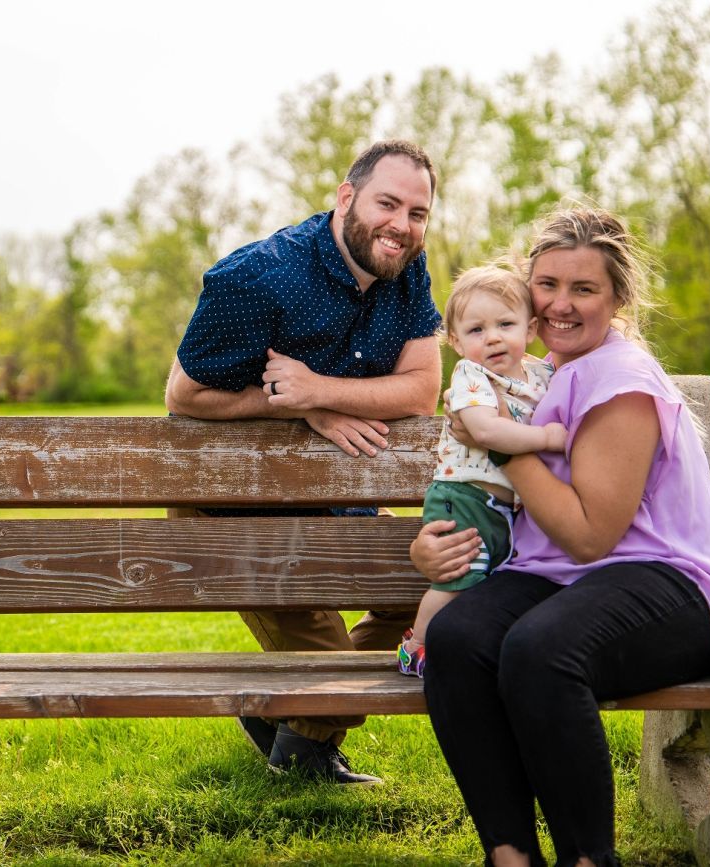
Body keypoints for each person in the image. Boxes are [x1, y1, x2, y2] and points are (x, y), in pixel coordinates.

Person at [411, 206, 710, 866]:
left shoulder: (620, 379)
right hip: (556, 574)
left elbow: (593, 535)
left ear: (618, 296)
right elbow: (480, 489)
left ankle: (588, 859)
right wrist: (432, 549)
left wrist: (504, 447)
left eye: (583, 288)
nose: (560, 305)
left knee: (540, 651)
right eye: (547, 285)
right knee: (457, 638)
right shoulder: (538, 373)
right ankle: (509, 855)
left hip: (668, 584)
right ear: (526, 289)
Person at [166, 139, 480, 785]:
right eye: (387, 203)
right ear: (346, 197)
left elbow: (422, 389)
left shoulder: (404, 269)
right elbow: (184, 394)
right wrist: (292, 407)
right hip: (236, 504)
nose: (402, 224)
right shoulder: (256, 277)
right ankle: (305, 744)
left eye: (417, 212)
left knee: (423, 593)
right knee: (327, 653)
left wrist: (319, 390)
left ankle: (293, 711)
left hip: (331, 491)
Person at [396, 264, 566, 678]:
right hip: (465, 495)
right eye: (475, 330)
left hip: (505, 506)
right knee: (457, 578)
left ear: (530, 329)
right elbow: (485, 430)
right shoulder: (473, 375)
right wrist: (546, 438)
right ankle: (415, 646)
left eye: (505, 324)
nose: (492, 337)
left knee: (488, 578)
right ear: (455, 341)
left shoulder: (543, 373)